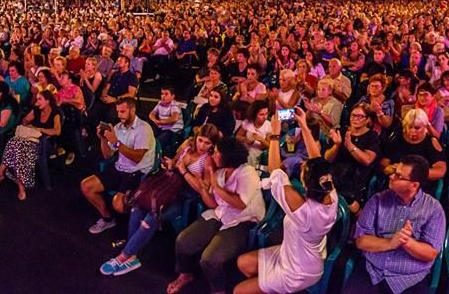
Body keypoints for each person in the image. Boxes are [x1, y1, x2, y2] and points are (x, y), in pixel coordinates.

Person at [234, 111, 337, 294]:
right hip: (292, 252)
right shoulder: (329, 192)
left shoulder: (301, 208)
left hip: (298, 271)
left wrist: (275, 134)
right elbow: (317, 159)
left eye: (303, 169)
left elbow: (275, 171)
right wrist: (303, 124)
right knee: (243, 263)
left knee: (238, 291)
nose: (303, 164)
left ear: (305, 184)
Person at [100, 124, 221, 277]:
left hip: (184, 195)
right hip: (167, 185)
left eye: (207, 143)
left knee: (153, 216)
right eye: (200, 140)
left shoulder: (208, 160)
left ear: (212, 145)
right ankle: (131, 253)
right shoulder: (187, 145)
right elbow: (174, 163)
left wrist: (184, 171)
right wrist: (171, 164)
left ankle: (124, 256)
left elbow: (203, 189)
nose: (202, 146)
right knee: (138, 205)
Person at [166, 137, 265, 294]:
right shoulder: (219, 173)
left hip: (244, 220)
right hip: (221, 214)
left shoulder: (247, 173)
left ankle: (218, 289)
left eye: (217, 152)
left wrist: (216, 187)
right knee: (183, 241)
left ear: (228, 155)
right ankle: (185, 274)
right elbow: (213, 204)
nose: (213, 155)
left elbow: (240, 204)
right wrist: (203, 189)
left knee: (210, 258)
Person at [355, 154, 446, 294]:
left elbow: (431, 254)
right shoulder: (378, 200)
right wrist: (390, 243)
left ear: (414, 185)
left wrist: (407, 242)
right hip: (373, 271)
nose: (391, 176)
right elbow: (361, 241)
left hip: (409, 278)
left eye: (398, 176)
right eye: (394, 172)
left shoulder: (433, 209)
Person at [81, 96, 156, 234]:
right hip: (119, 167)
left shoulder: (144, 129)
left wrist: (116, 143)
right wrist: (103, 139)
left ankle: (135, 214)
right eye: (118, 111)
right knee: (86, 186)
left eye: (123, 111)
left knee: (119, 205)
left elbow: (137, 158)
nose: (119, 115)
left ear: (132, 110)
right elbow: (108, 155)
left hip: (137, 171)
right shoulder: (117, 128)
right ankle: (108, 219)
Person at [0, 89, 62, 201]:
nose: (37, 102)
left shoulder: (55, 113)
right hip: (29, 139)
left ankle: (0, 174)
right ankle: (20, 187)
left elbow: (57, 131)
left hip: (44, 143)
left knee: (16, 147)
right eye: (37, 99)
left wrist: (39, 129)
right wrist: (26, 122)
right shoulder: (36, 110)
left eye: (40, 99)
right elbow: (25, 119)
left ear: (48, 101)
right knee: (14, 144)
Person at [325, 102, 379, 212]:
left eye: (360, 116)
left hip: (356, 176)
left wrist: (350, 146)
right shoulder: (341, 131)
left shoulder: (372, 136)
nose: (355, 119)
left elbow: (367, 160)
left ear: (367, 119)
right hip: (335, 172)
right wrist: (336, 145)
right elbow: (327, 158)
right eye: (353, 115)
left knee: (351, 206)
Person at [379, 109, 446, 185]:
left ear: (425, 127)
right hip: (395, 180)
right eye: (410, 127)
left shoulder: (431, 142)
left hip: (419, 183)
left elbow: (440, 171)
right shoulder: (397, 138)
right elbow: (384, 161)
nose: (413, 131)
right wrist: (389, 168)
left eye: (417, 128)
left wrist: (411, 173)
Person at [149, 85, 184, 156]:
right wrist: (155, 120)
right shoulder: (160, 103)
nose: (163, 96)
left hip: (172, 131)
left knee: (157, 143)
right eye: (162, 94)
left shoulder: (174, 105)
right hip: (161, 128)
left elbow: (174, 118)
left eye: (166, 94)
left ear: (172, 96)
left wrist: (161, 122)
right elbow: (151, 114)